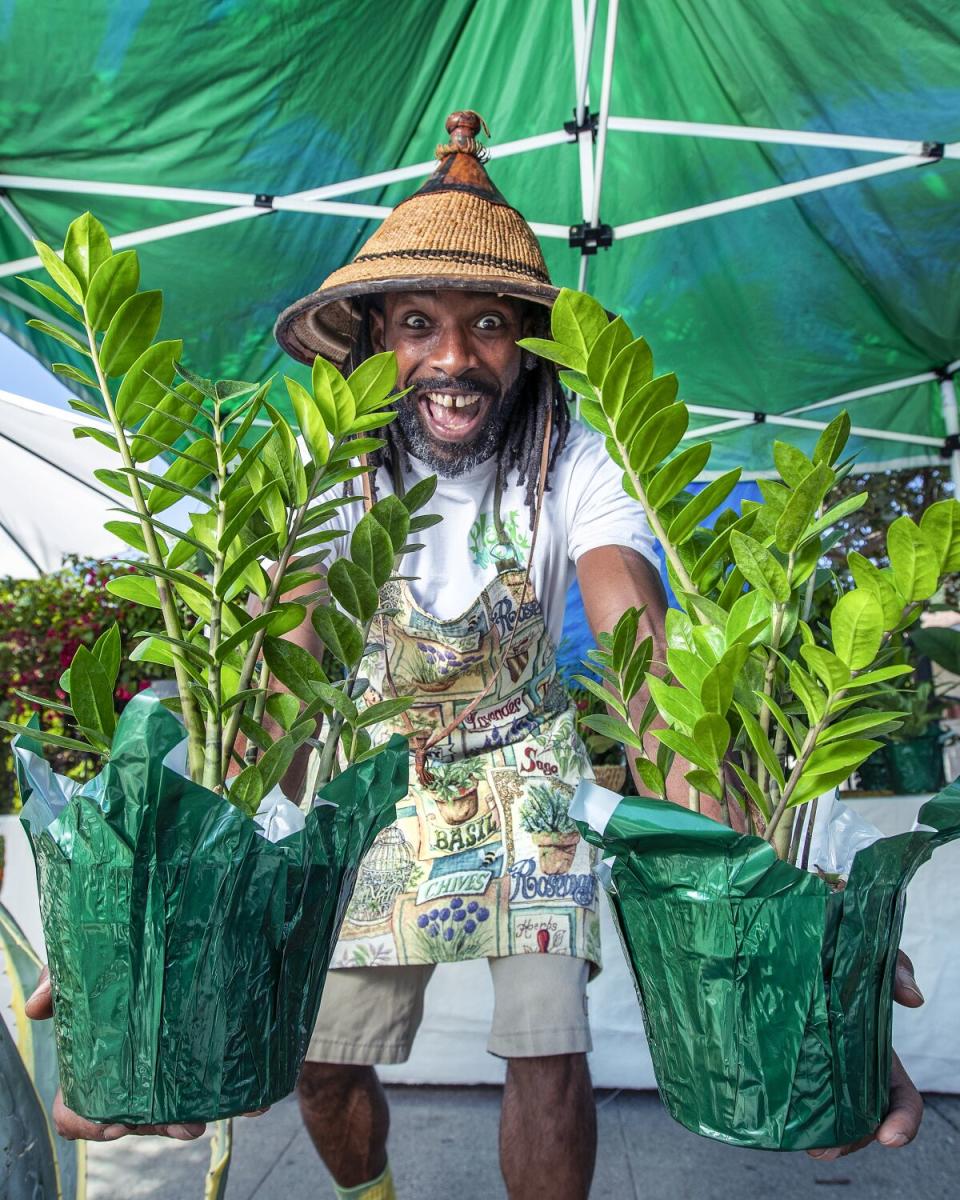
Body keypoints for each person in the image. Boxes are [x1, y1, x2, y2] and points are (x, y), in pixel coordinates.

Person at [27, 111, 925, 1197]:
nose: (453, 359)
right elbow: (279, 687)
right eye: (418, 323)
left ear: (531, 339)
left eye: (489, 322)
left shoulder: (581, 463)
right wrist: (164, 907)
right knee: (323, 1059)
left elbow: (653, 679)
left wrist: (778, 909)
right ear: (374, 341)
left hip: (526, 777)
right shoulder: (335, 474)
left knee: (548, 1053)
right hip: (373, 780)